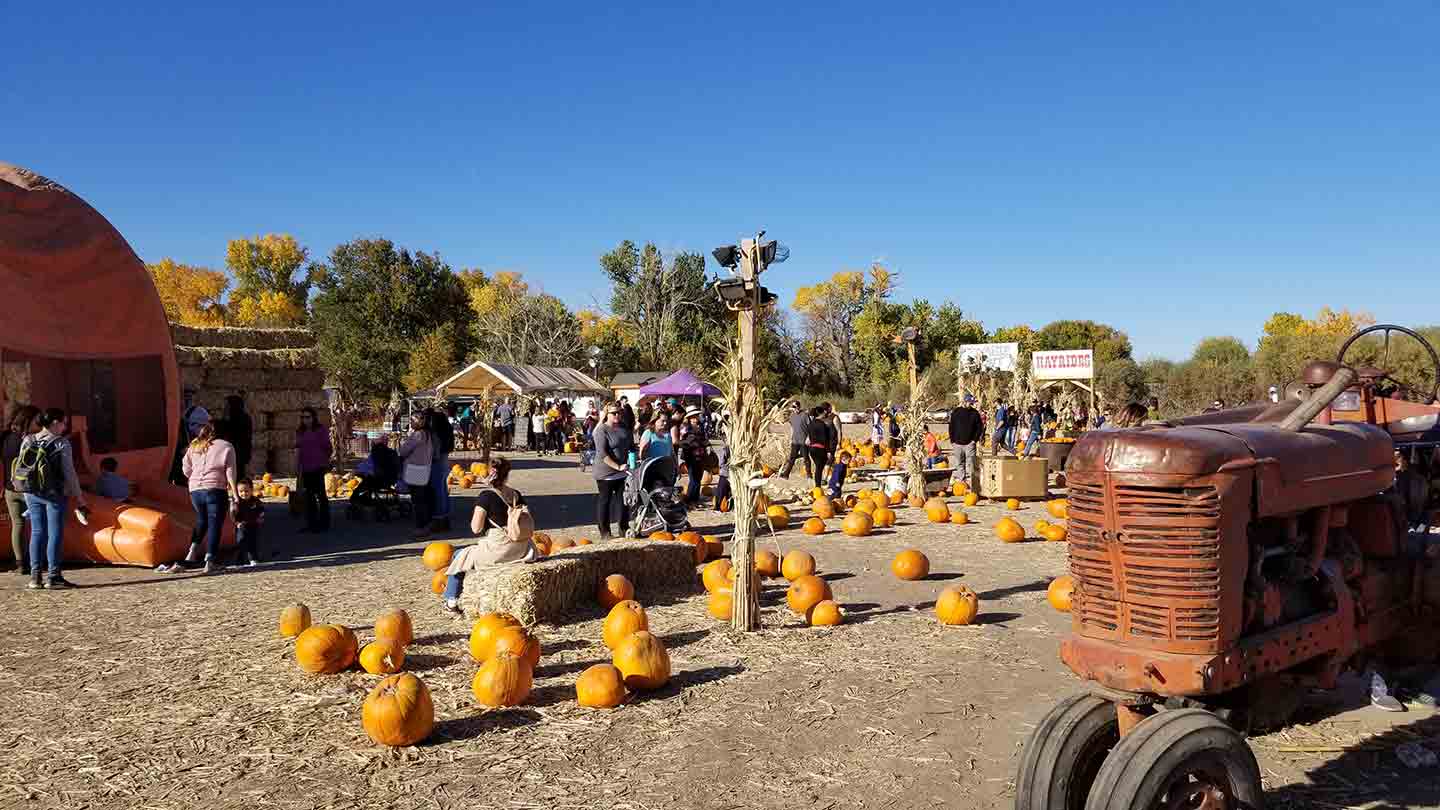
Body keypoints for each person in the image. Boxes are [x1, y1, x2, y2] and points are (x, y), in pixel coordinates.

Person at [441, 457, 533, 611]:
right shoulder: (516, 494)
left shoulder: (486, 496)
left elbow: (476, 529)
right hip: (522, 549)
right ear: (506, 475)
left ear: (488, 474)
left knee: (459, 555)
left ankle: (452, 600)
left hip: (499, 550)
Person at [16, 408, 87, 589]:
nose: (65, 427)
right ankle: (54, 577)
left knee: (37, 533)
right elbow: (70, 474)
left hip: (32, 493)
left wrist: (25, 493)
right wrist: (79, 499)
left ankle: (35, 578)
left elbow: (21, 468)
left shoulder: (28, 439)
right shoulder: (61, 443)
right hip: (54, 495)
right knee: (55, 534)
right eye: (64, 422)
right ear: (55, 422)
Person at [163, 422, 236, 575]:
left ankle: (191, 553)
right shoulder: (227, 446)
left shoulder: (194, 446)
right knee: (215, 524)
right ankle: (210, 561)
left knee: (202, 520)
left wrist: (196, 479)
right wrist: (235, 496)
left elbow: (186, 470)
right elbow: (230, 474)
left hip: (195, 491)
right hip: (215, 489)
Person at [2, 404, 39, 575]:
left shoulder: (5, 437)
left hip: (10, 489)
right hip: (29, 489)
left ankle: (20, 564)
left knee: (17, 525)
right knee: (38, 526)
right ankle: (37, 563)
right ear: (29, 420)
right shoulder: (31, 439)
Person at [593, 404, 633, 540]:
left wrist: (634, 458)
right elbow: (602, 453)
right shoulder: (602, 430)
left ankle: (624, 528)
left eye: (619, 412)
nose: (617, 415)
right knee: (605, 501)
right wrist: (617, 466)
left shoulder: (624, 428)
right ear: (606, 415)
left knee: (624, 501)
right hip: (605, 472)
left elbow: (631, 446)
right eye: (613, 413)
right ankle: (605, 532)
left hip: (623, 471)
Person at [294, 407, 332, 534]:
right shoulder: (300, 431)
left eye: (308, 417)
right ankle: (311, 523)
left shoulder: (320, 430)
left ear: (313, 417)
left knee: (321, 495)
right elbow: (298, 448)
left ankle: (324, 522)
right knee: (309, 496)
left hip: (318, 466)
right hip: (306, 467)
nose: (305, 420)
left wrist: (324, 460)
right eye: (303, 417)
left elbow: (328, 447)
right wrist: (297, 465)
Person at [398, 412, 435, 538]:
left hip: (415, 470)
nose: (411, 423)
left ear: (418, 421)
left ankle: (421, 527)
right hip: (425, 468)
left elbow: (403, 451)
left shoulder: (417, 435)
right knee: (424, 498)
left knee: (418, 500)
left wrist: (405, 440)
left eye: (412, 421)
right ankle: (427, 524)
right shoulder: (428, 434)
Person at [947, 394, 982, 490]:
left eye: (972, 403)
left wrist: (974, 440)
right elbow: (951, 426)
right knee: (959, 463)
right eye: (970, 402)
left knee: (971, 463)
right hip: (957, 443)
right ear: (965, 401)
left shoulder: (975, 413)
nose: (971, 404)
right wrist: (952, 440)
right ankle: (962, 481)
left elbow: (979, 428)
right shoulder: (956, 412)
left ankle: (972, 482)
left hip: (970, 444)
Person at [351, 437, 401, 505]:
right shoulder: (392, 453)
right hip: (391, 481)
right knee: (369, 480)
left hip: (378, 481)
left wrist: (356, 471)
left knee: (367, 481)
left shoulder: (375, 455)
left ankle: (356, 498)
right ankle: (364, 497)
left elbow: (366, 467)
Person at [427, 407, 455, 530]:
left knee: (437, 487)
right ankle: (445, 512)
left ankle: (439, 514)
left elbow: (435, 449)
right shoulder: (447, 427)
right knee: (442, 486)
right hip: (444, 457)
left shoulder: (435, 432)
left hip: (437, 459)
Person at [232, 478, 264, 566]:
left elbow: (261, 510)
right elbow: (233, 515)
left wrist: (260, 517)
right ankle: (239, 561)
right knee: (241, 542)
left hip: (254, 525)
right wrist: (237, 523)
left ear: (251, 490)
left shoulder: (256, 501)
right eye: (241, 491)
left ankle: (253, 559)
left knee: (253, 542)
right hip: (241, 527)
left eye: (246, 491)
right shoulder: (237, 503)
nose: (244, 493)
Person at [678, 408, 708, 504]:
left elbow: (705, 439)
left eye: (697, 415)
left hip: (701, 455)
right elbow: (680, 441)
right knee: (693, 478)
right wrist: (690, 443)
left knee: (699, 478)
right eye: (694, 416)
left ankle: (696, 498)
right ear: (690, 418)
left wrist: (706, 444)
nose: (696, 418)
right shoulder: (685, 427)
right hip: (690, 455)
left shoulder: (701, 426)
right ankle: (689, 499)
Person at [224, 395, 254, 479]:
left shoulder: (234, 419)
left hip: (238, 451)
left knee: (237, 473)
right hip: (241, 451)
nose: (225, 408)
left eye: (227, 405)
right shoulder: (245, 417)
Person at [780, 400, 812, 479]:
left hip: (804, 441)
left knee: (806, 458)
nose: (794, 409)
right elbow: (792, 427)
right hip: (795, 441)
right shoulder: (792, 416)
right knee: (792, 458)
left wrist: (808, 438)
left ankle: (809, 475)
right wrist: (791, 438)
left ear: (798, 407)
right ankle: (786, 474)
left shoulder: (805, 415)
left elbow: (811, 427)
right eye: (792, 407)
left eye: (795, 407)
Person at [803, 405, 832, 490]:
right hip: (820, 449)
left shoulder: (810, 424)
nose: (825, 413)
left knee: (818, 467)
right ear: (821, 413)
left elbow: (809, 436)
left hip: (812, 449)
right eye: (824, 412)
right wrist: (828, 451)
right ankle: (818, 487)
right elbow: (825, 439)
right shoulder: (823, 425)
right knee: (819, 468)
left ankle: (818, 485)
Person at [712, 441, 732, 510]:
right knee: (723, 491)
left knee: (723, 491)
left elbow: (721, 462)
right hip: (727, 473)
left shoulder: (725, 448)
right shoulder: (726, 448)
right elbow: (722, 462)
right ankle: (720, 506)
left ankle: (721, 505)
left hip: (726, 473)